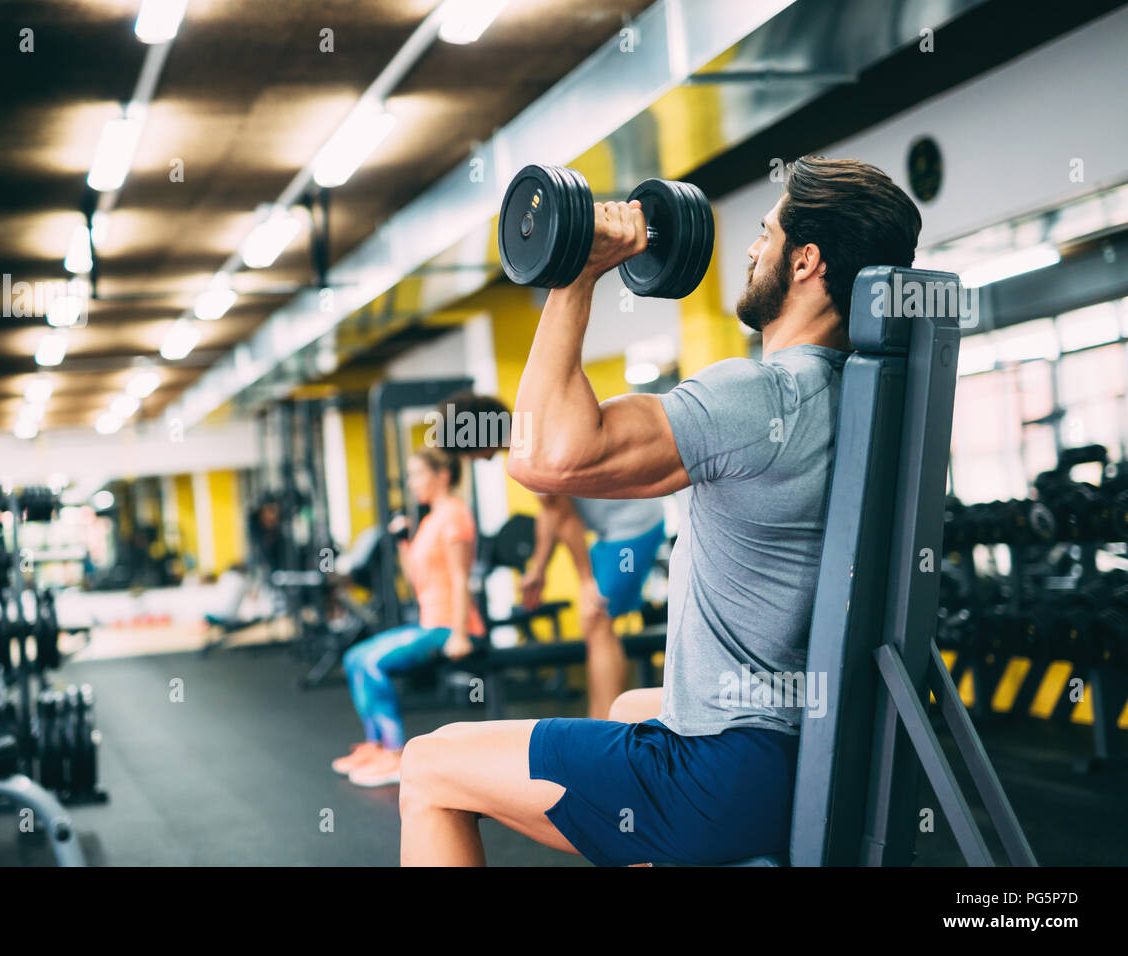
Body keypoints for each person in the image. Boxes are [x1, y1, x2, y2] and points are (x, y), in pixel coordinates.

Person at [397, 155, 922, 865]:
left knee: (429, 765)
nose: (749, 248)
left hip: (719, 781)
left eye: (764, 235)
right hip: (813, 753)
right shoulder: (869, 401)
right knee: (625, 709)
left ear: (805, 263)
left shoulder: (761, 398)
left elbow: (542, 456)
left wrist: (577, 275)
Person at [437, 391, 666, 718]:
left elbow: (566, 518)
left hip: (632, 526)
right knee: (595, 623)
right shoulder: (528, 437)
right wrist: (538, 569)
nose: (469, 460)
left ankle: (607, 722)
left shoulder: (530, 451)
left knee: (596, 618)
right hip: (613, 531)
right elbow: (550, 512)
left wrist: (586, 581)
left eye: (466, 451)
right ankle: (601, 718)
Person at [333, 446, 485, 788]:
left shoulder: (455, 515)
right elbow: (417, 578)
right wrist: (403, 542)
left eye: (418, 474)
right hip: (429, 623)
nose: (411, 482)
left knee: (373, 663)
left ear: (442, 475)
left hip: (451, 625)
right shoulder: (430, 520)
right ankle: (376, 745)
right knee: (355, 657)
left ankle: (396, 754)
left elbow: (462, 577)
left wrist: (461, 633)